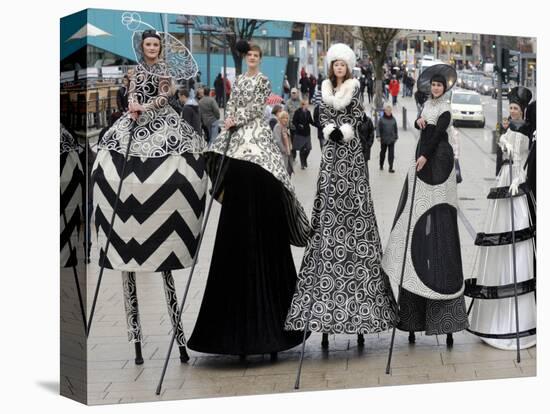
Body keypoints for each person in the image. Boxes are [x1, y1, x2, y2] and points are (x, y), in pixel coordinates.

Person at [187, 41, 311, 360]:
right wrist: (229, 121)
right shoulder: (238, 80)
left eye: (257, 56)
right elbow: (230, 107)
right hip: (235, 137)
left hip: (253, 137)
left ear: (260, 59)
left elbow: (255, 109)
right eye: (250, 56)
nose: (253, 60)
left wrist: (234, 120)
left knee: (268, 171)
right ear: (244, 59)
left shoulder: (262, 81)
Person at [91, 29, 207, 364]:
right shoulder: (134, 71)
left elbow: (166, 95)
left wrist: (147, 105)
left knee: (184, 164)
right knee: (108, 160)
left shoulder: (164, 73)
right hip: (132, 124)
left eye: (156, 45)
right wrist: (132, 106)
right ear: (142, 48)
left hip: (161, 124)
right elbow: (128, 96)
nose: (152, 49)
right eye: (148, 45)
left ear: (160, 48)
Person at [285, 43, 397, 349]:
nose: (339, 69)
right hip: (331, 153)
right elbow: (319, 114)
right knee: (328, 188)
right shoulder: (323, 89)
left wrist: (344, 129)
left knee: (354, 192)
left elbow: (359, 114)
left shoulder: (354, 89)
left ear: (347, 67)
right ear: (331, 67)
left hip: (349, 152)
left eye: (342, 65)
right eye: (335, 65)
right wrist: (327, 128)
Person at [382, 65, 468, 348]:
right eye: (434, 85)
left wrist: (425, 156)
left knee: (437, 225)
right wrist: (420, 123)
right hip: (423, 161)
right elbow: (425, 128)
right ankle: (412, 313)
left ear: (445, 89)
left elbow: (437, 134)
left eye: (440, 86)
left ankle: (442, 316)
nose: (436, 89)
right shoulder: (427, 105)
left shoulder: (445, 109)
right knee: (413, 221)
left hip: (437, 163)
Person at [465, 87, 536, 351]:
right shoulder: (509, 126)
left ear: (523, 110)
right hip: (505, 178)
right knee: (500, 228)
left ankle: (518, 316)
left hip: (516, 180)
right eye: (511, 107)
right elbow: (502, 155)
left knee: (517, 232)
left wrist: (521, 179)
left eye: (516, 108)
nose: (513, 111)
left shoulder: (526, 129)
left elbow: (525, 157)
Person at [292, 98, 314, 169]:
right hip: (300, 133)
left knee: (308, 149)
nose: (308, 105)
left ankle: (304, 160)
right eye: (307, 104)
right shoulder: (297, 112)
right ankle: (302, 164)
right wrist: (298, 125)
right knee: (302, 149)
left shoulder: (308, 112)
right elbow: (294, 121)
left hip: (307, 133)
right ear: (303, 104)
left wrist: (318, 125)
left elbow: (311, 121)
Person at [377, 103, 398, 172]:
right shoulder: (381, 119)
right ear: (385, 111)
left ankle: (390, 167)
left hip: (391, 139)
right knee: (383, 153)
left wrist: (396, 136)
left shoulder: (393, 119)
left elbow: (395, 129)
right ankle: (381, 165)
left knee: (391, 154)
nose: (389, 112)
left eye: (390, 110)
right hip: (383, 139)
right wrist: (378, 136)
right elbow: (378, 128)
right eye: (387, 110)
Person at [272, 110, 293, 176]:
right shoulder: (278, 126)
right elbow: (277, 140)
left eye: (287, 118)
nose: (286, 119)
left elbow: (288, 138)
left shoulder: (284, 127)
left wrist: (290, 146)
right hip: (282, 153)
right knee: (284, 171)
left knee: (289, 171)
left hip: (287, 152)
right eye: (284, 118)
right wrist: (284, 149)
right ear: (280, 118)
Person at [285, 88, 301, 160]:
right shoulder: (288, 102)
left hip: (300, 126)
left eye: (295, 93)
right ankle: (293, 155)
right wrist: (286, 126)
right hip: (291, 126)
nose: (293, 94)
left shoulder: (301, 102)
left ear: (297, 93)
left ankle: (302, 159)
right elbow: (285, 114)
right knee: (292, 141)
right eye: (292, 93)